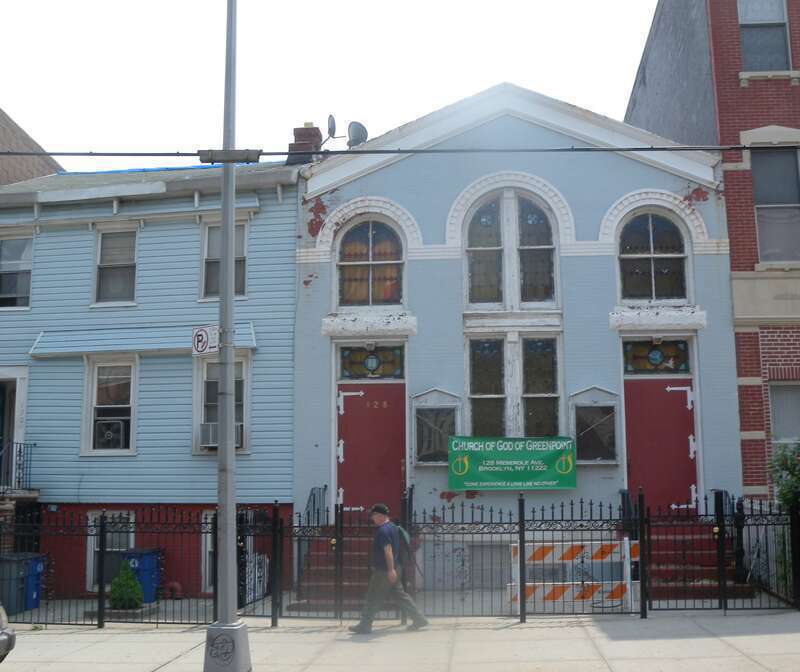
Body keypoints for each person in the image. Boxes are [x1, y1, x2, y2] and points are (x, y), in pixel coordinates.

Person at [349, 503, 428, 634]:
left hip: (384, 571)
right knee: (400, 596)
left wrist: (390, 570)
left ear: (380, 516)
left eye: (373, 515)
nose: (372, 518)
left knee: (372, 597)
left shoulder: (383, 531)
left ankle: (365, 625)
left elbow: (388, 551)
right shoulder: (392, 527)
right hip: (396, 568)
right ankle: (419, 618)